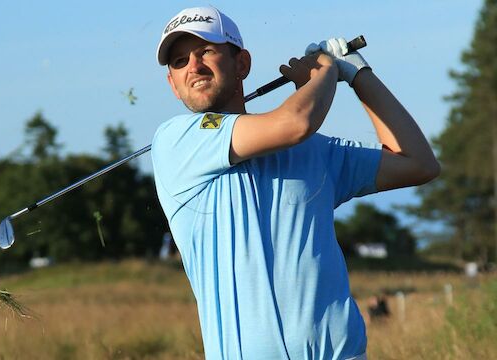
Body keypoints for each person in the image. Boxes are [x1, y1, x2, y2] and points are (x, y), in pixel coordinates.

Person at [151, 6, 439, 360]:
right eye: (179, 61)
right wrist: (325, 71)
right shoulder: (176, 140)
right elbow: (295, 122)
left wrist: (359, 75)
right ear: (172, 84)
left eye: (205, 51)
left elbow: (417, 163)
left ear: (242, 64)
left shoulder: (314, 151)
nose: (193, 66)